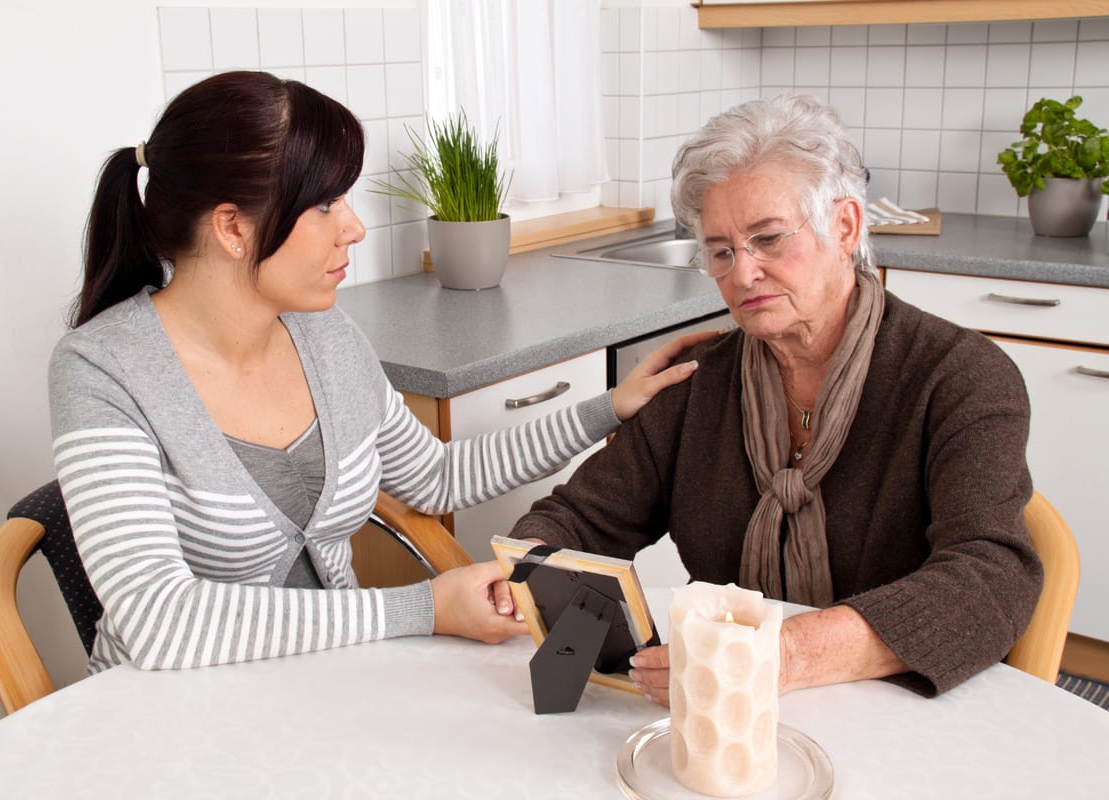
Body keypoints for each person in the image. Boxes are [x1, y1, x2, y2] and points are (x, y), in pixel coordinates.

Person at [49, 70, 710, 674]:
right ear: (232, 228)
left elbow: (437, 475)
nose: (355, 228)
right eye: (325, 206)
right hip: (169, 721)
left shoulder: (325, 335)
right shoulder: (103, 372)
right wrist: (422, 609)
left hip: (324, 683)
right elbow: (158, 620)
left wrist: (607, 408)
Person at [509, 94, 1044, 701]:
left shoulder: (960, 377)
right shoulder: (698, 381)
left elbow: (990, 576)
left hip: (902, 704)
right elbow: (582, 519)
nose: (742, 274)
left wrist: (780, 654)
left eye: (767, 239)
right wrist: (526, 566)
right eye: (721, 251)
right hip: (725, 709)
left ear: (844, 225)